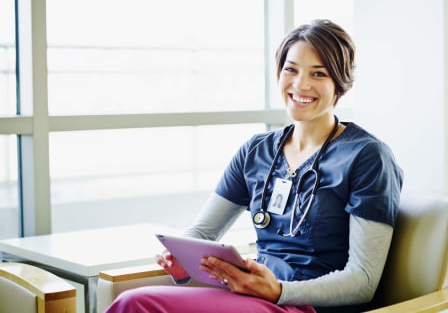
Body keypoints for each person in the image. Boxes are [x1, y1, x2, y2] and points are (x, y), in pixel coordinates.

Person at [105, 19, 403, 313]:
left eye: (319, 73)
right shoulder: (257, 151)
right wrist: (182, 262)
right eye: (291, 69)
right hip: (252, 297)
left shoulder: (367, 157)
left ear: (340, 83)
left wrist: (280, 292)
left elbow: (363, 280)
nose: (301, 84)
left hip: (306, 305)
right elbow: (202, 233)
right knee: (134, 302)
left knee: (137, 304)